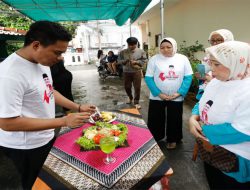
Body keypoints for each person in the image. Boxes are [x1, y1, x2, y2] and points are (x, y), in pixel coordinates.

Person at [0, 21, 96, 189]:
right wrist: (63, 122)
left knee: (51, 180)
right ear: (36, 45)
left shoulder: (40, 63)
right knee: (37, 184)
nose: (60, 58)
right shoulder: (9, 74)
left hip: (44, 136)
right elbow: (7, 123)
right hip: (25, 146)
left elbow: (50, 91)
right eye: (57, 52)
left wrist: (78, 107)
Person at [189, 41, 250, 189]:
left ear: (236, 63)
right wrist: (193, 117)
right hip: (210, 150)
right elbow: (203, 102)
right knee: (213, 181)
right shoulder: (217, 82)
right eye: (211, 63)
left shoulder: (246, 90)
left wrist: (203, 130)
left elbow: (244, 131)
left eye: (217, 64)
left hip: (234, 159)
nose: (211, 69)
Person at [145, 37, 193, 149]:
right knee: (155, 118)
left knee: (175, 118)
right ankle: (156, 137)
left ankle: (173, 139)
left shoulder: (182, 59)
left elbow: (188, 77)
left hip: (176, 96)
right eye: (162, 47)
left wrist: (179, 93)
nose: (165, 50)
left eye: (168, 47)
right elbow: (148, 78)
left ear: (174, 47)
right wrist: (159, 94)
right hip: (157, 96)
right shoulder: (154, 59)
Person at [195, 29, 234, 100]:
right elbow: (205, 75)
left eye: (219, 40)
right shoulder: (208, 56)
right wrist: (201, 76)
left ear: (228, 40)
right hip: (208, 93)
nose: (215, 43)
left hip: (225, 96)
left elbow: (234, 80)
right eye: (212, 40)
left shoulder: (233, 58)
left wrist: (210, 79)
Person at [117, 37, 147, 109]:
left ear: (136, 44)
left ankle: (136, 102)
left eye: (133, 45)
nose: (131, 46)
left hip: (136, 72)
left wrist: (137, 62)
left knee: (137, 87)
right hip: (126, 72)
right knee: (127, 87)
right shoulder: (123, 52)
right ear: (128, 44)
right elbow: (119, 61)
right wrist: (125, 61)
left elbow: (145, 60)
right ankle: (130, 97)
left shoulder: (141, 51)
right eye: (130, 45)